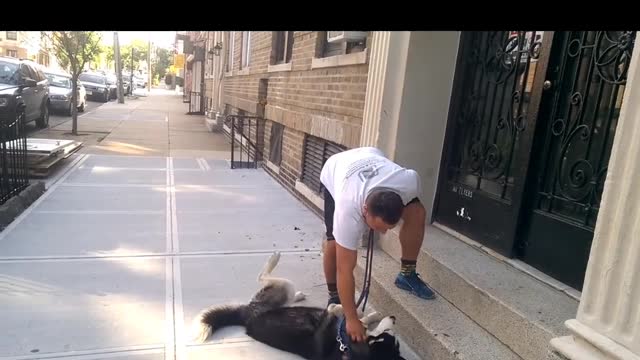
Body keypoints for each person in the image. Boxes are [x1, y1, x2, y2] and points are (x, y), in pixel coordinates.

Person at [320, 146, 435, 343]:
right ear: (364, 210)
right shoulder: (347, 208)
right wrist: (351, 318)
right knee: (334, 244)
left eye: (388, 228)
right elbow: (344, 269)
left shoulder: (409, 182)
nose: (382, 233)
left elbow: (408, 206)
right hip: (337, 168)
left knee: (417, 212)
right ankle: (334, 295)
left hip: (371, 155)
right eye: (379, 227)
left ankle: (407, 274)